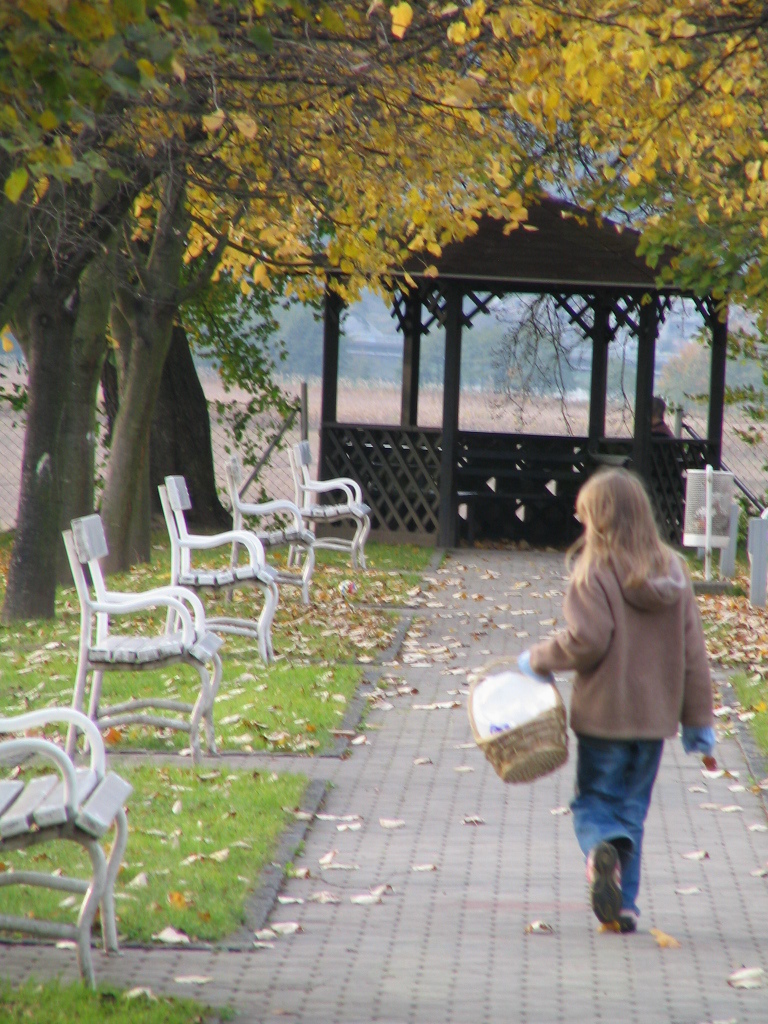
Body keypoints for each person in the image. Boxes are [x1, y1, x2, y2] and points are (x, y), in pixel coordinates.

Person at [517, 467, 715, 934]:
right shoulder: (674, 571)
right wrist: (699, 725)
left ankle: (601, 848)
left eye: (584, 515)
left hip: (604, 717)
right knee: (632, 812)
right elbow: (693, 653)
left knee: (594, 802)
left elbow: (586, 641)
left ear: (600, 520)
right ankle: (624, 907)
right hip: (654, 723)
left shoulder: (594, 573)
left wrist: (536, 660)